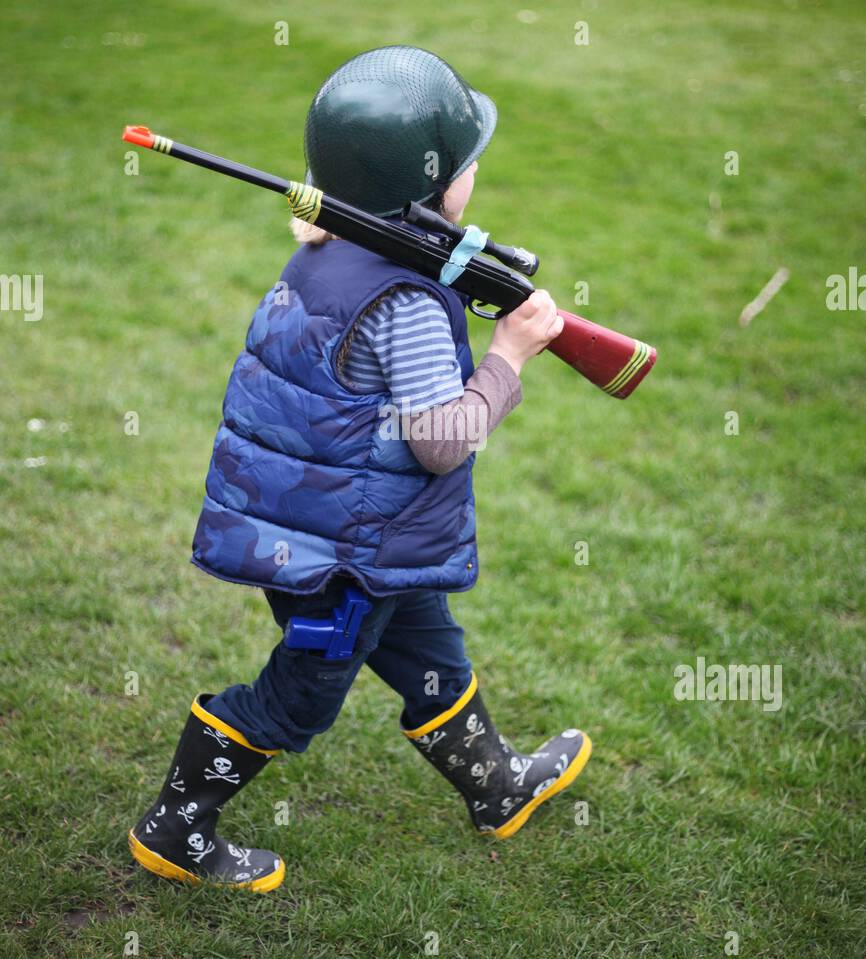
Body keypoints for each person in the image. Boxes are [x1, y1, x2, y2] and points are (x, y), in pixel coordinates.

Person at [128, 46, 592, 892]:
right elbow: (440, 441)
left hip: (348, 530)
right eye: (467, 164)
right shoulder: (407, 303)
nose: (476, 172)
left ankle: (498, 788)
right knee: (297, 698)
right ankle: (176, 826)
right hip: (346, 552)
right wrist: (510, 359)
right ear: (425, 191)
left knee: (430, 650)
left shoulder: (326, 256)